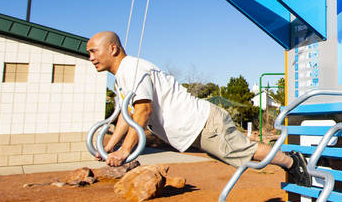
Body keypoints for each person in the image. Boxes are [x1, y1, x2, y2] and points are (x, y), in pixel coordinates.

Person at [85, 31, 310, 186]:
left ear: (112, 48)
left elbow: (143, 111)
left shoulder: (131, 68)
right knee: (242, 157)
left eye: (94, 51)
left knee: (245, 153)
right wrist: (109, 147)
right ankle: (288, 160)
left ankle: (292, 162)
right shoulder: (121, 77)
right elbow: (128, 115)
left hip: (202, 123)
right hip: (193, 129)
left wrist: (124, 151)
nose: (91, 57)